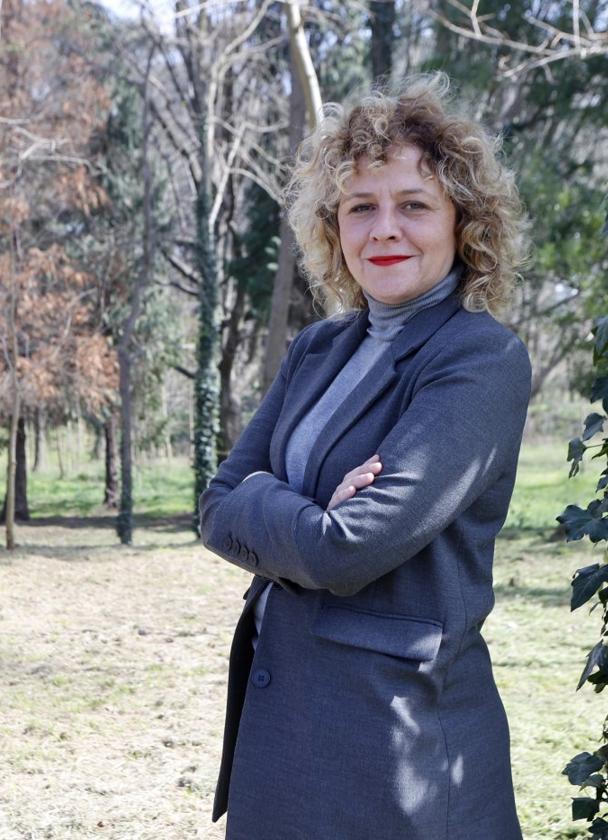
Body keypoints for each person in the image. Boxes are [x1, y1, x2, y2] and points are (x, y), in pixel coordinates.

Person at [198, 74, 530, 840]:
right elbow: (217, 505)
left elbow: (350, 548)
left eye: (413, 205)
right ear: (334, 226)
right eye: (361, 207)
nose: (385, 229)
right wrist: (309, 514)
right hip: (284, 734)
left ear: (463, 222)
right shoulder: (319, 347)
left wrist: (291, 510)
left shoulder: (479, 359)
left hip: (396, 744)